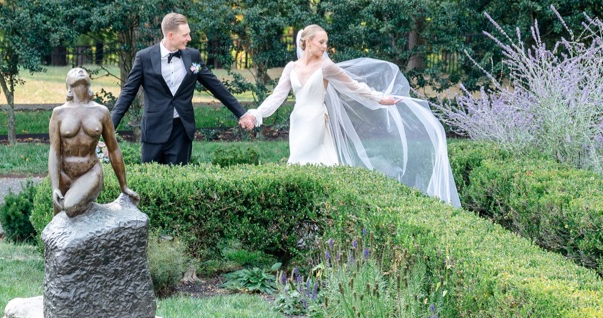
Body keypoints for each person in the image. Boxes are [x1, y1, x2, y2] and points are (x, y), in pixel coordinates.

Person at [246, 24, 460, 206]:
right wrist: (256, 114)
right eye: (321, 42)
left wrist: (379, 98)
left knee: (304, 163)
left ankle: (317, 208)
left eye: (326, 42)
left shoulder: (326, 67)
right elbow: (276, 97)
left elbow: (354, 86)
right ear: (308, 42)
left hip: (316, 121)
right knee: (302, 161)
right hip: (298, 122)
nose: (325, 46)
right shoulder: (291, 68)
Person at [111, 12, 252, 165]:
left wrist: (241, 113)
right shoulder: (144, 57)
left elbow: (216, 86)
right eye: (185, 35)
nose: (189, 39)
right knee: (150, 179)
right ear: (171, 35)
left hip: (181, 131)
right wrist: (109, 128)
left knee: (178, 182)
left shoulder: (193, 57)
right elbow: (127, 93)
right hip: (153, 130)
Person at [48, 67, 138, 216]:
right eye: (75, 71)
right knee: (58, 220)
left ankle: (105, 214)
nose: (80, 71)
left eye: (83, 71)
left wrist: (124, 187)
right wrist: (55, 187)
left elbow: (114, 149)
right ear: (68, 86)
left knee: (69, 207)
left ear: (89, 82)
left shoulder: (101, 112)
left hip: (90, 171)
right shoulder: (59, 113)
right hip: (65, 174)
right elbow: (54, 151)